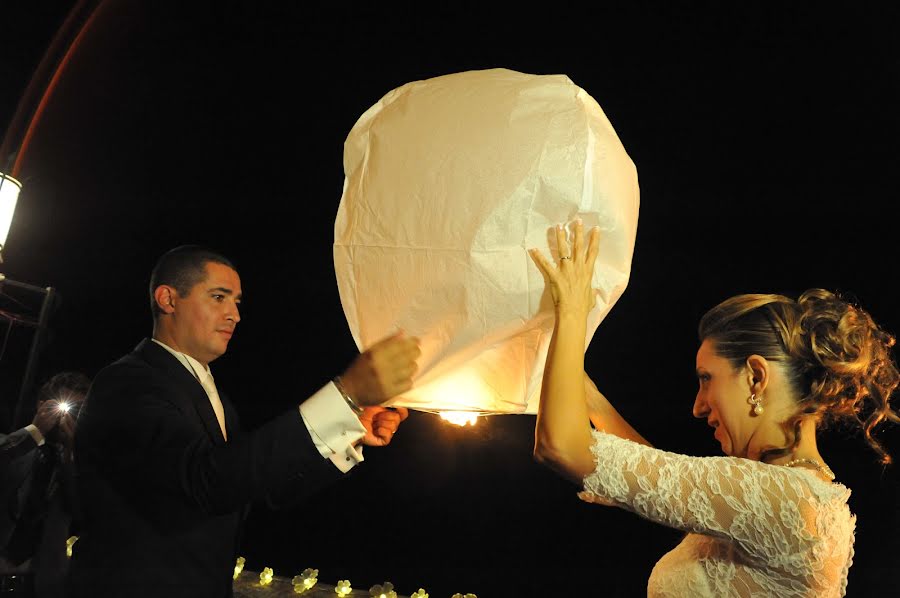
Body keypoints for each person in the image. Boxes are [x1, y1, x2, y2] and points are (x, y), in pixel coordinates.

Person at [529, 219, 898, 597]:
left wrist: (572, 310)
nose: (697, 407)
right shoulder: (795, 494)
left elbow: (560, 446)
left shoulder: (782, 497)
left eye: (707, 378)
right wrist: (589, 397)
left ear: (756, 377)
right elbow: (661, 475)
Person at [66, 245, 420, 598]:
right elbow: (208, 482)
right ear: (168, 299)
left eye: (236, 302)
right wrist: (345, 394)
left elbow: (261, 486)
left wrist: (350, 429)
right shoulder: (126, 382)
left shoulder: (209, 392)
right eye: (218, 297)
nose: (234, 314)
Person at [1, 371, 91, 598]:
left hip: (39, 584)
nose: (65, 416)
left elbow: (83, 513)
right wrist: (35, 431)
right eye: (59, 406)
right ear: (42, 406)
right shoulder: (14, 445)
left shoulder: (77, 466)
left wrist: (73, 452)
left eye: (77, 410)